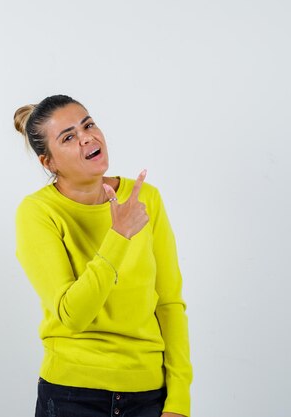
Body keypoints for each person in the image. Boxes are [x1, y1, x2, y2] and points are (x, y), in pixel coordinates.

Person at [13, 95, 192, 417]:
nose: (87, 137)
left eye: (88, 124)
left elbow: (169, 303)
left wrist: (179, 400)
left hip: (148, 394)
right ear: (48, 162)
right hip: (71, 395)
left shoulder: (145, 199)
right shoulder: (38, 212)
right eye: (68, 137)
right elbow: (73, 314)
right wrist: (118, 235)